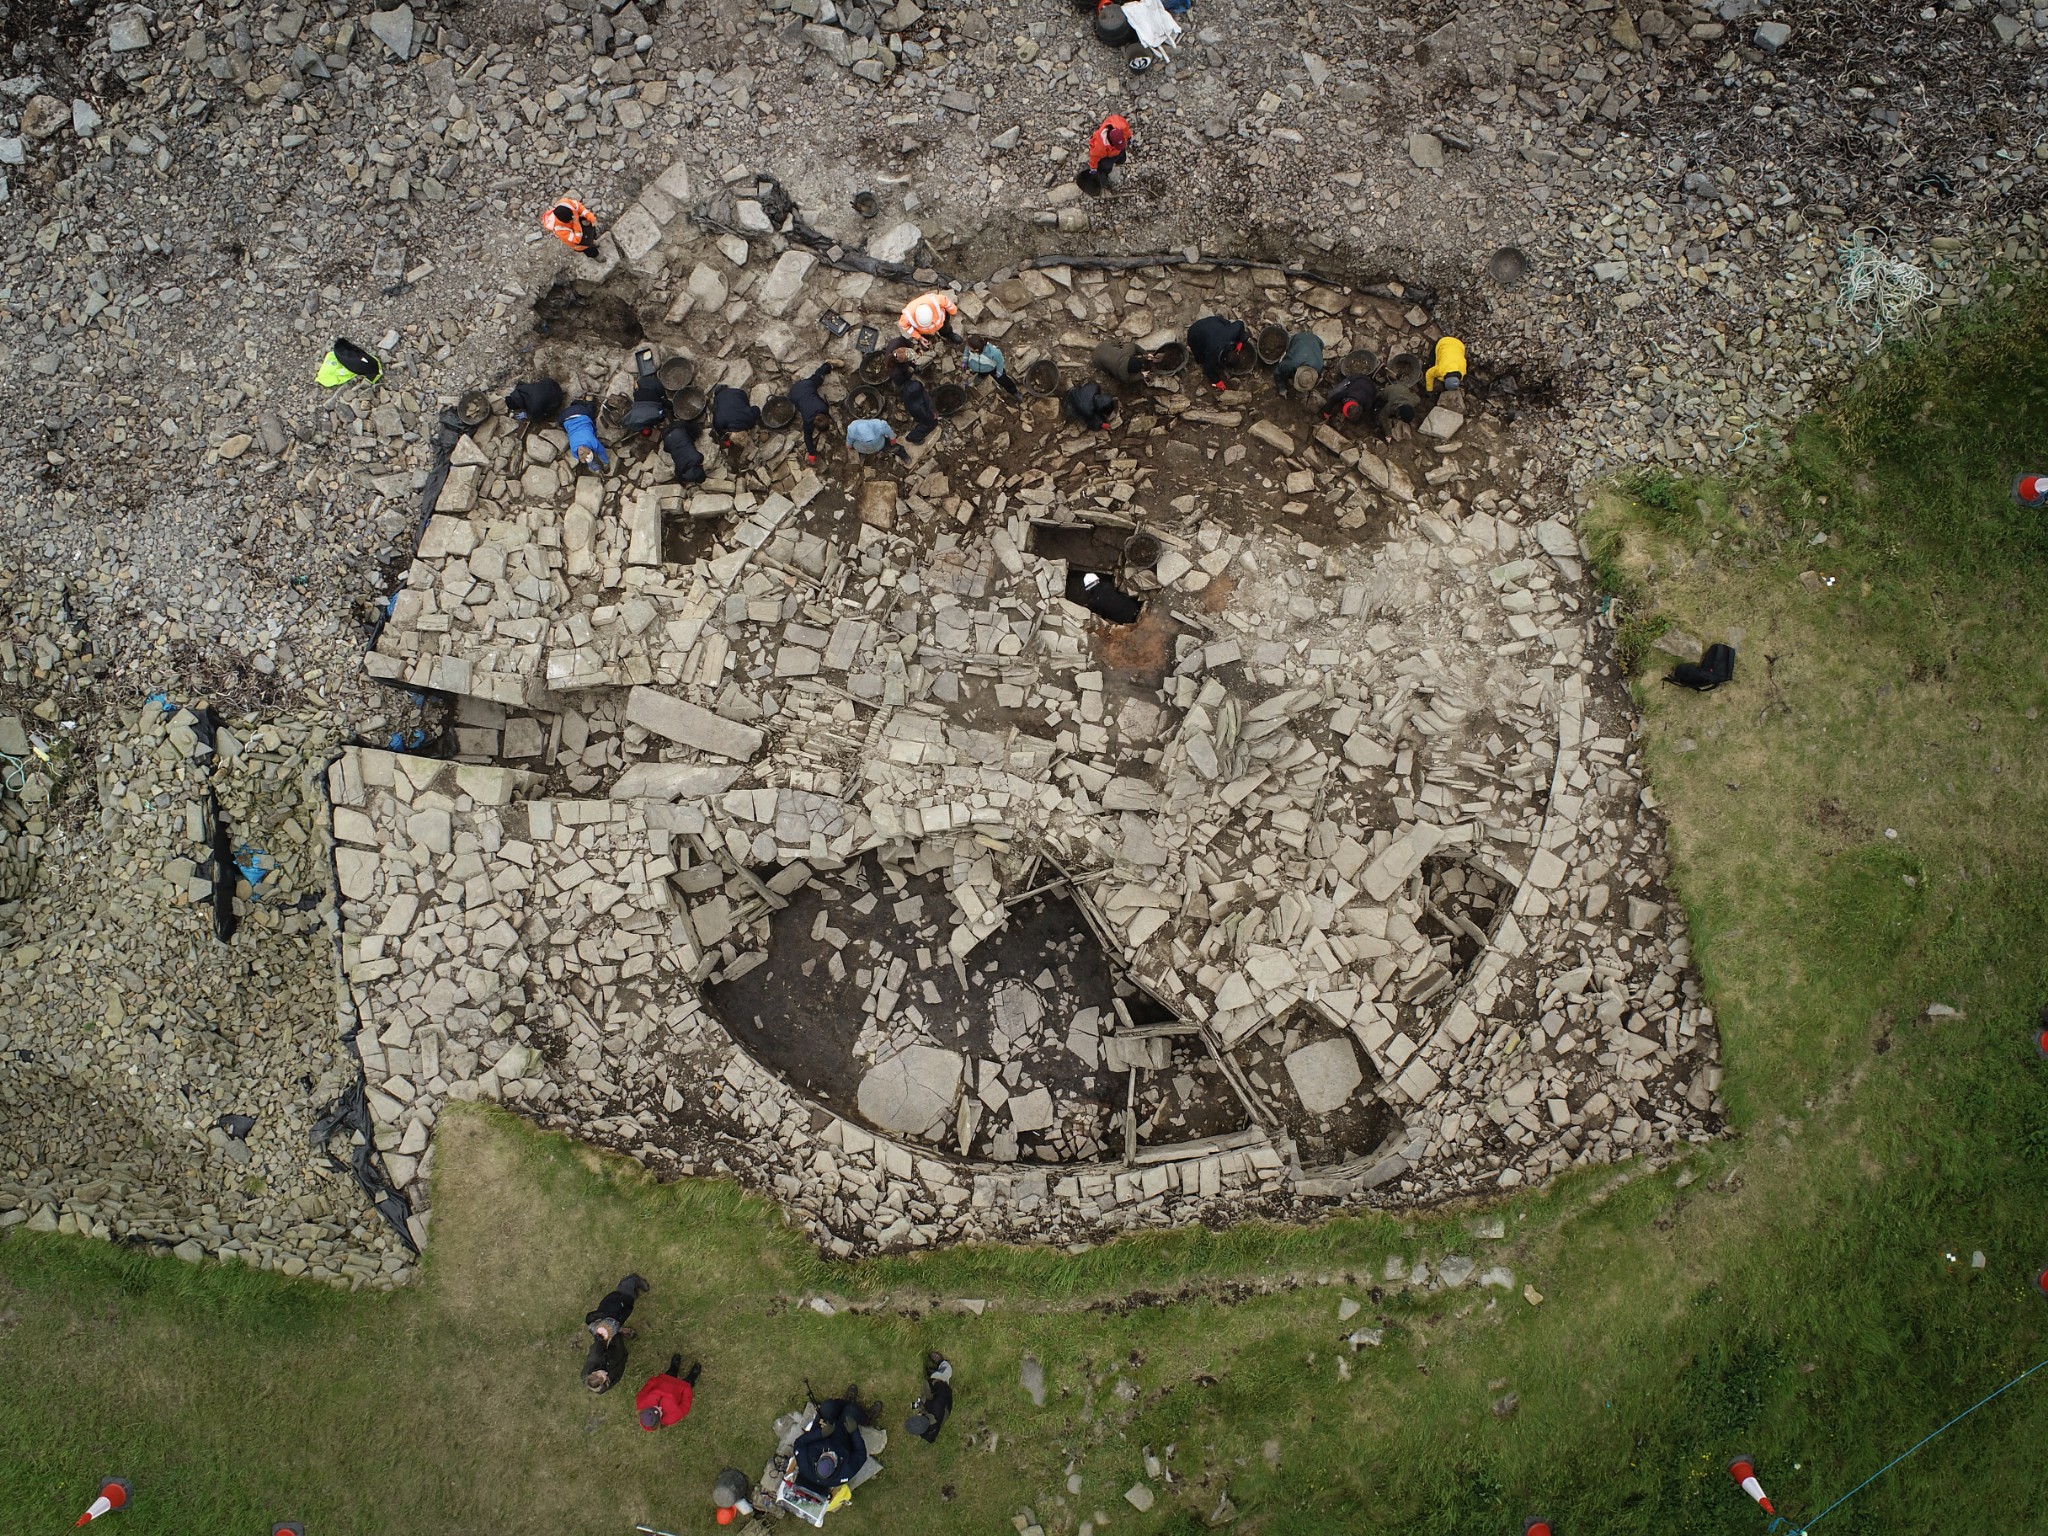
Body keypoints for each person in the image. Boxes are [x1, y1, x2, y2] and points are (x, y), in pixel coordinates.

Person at [581, 1273, 648, 1392]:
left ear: (594, 1371)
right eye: (604, 1378)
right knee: (623, 1311)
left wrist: (609, 1330)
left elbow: (600, 1339)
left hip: (611, 1336)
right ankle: (630, 1295)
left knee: (624, 1305)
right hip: (617, 1352)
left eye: (601, 1374)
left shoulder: (596, 1356)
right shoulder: (601, 1386)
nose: (605, 1373)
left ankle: (630, 1282)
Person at [636, 1354, 701, 1431]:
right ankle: (692, 1375)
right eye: (660, 1412)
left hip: (666, 1380)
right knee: (690, 1381)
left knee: (671, 1372)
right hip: (681, 1388)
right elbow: (685, 1406)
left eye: (654, 1408)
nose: (660, 1408)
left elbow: (647, 1387)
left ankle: (674, 1367)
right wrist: (687, 1388)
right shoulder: (671, 1418)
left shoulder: (640, 1402)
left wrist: (656, 1379)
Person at [787, 362, 835, 462]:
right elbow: (807, 437)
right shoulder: (808, 421)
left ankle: (827, 365)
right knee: (799, 406)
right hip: (794, 395)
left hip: (803, 386)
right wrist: (811, 454)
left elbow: (808, 437)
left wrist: (811, 453)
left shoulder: (823, 408)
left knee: (818, 378)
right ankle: (828, 365)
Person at [903, 1353, 954, 1444]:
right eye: (920, 1416)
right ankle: (943, 1364)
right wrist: (936, 1381)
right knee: (945, 1373)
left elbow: (931, 1440)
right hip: (944, 1399)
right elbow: (945, 1389)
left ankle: (934, 1373)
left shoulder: (924, 1433)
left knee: (927, 1388)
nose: (918, 1413)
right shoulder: (936, 1407)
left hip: (937, 1403)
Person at [1187, 315, 1248, 389]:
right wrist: (1217, 381)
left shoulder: (1231, 334)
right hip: (1194, 332)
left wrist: (1241, 341)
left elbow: (1240, 323)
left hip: (1213, 322)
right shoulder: (1213, 355)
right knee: (1200, 359)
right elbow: (1208, 370)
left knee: (1227, 325)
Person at [892, 359, 939, 444]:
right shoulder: (919, 407)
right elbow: (926, 411)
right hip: (918, 411)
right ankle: (913, 437)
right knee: (931, 423)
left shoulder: (907, 389)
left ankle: (919, 419)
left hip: (910, 404)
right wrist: (933, 415)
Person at [561, 397, 610, 471]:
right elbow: (600, 452)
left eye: (581, 453)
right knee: (590, 412)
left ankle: (584, 402)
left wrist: (603, 463)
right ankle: (582, 402)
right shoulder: (575, 451)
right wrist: (603, 463)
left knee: (589, 413)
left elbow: (601, 451)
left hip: (576, 414)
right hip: (565, 417)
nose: (581, 451)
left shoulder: (592, 442)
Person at [710, 384, 761, 450]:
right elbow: (757, 409)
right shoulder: (718, 422)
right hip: (730, 394)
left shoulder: (750, 418)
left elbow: (756, 409)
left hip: (738, 393)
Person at [1088, 113, 1133, 182]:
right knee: (1105, 166)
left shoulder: (1120, 124)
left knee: (1121, 154)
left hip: (1117, 150)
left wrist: (1129, 137)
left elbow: (1126, 129)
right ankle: (1105, 174)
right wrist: (1093, 168)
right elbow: (1094, 157)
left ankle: (1120, 161)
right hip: (1109, 154)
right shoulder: (1099, 147)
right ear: (1110, 142)